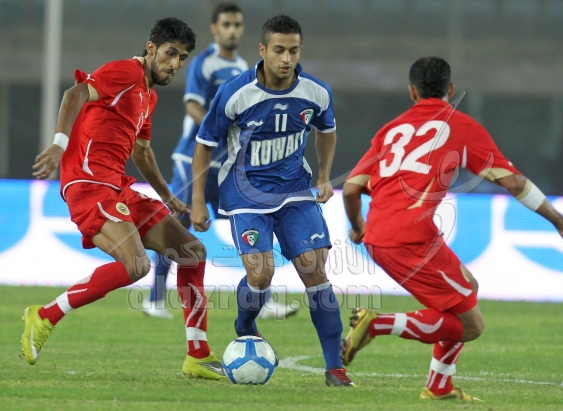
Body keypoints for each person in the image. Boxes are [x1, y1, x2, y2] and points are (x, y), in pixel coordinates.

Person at [341, 57, 563, 400]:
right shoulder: (460, 126)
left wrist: (358, 228)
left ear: (412, 92)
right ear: (451, 89)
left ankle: (439, 386)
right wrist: (560, 222)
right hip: (410, 238)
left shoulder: (390, 130)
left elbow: (351, 188)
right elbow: (515, 183)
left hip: (381, 236)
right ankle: (377, 323)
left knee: (467, 287)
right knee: (471, 325)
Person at [21, 18, 227, 380]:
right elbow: (74, 94)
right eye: (170, 54)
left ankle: (198, 355)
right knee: (136, 266)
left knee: (191, 252)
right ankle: (45, 315)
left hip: (117, 187)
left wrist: (168, 197)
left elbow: (142, 152)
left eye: (181, 58)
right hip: (88, 183)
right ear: (151, 48)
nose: (174, 64)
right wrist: (58, 144)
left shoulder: (149, 96)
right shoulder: (124, 73)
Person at [191, 15, 354, 387]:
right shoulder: (235, 92)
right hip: (245, 194)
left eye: (293, 51)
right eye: (279, 50)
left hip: (295, 191)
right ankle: (245, 323)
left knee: (314, 270)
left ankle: (335, 367)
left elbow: (326, 131)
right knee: (261, 274)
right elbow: (204, 144)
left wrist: (325, 175)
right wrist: (198, 200)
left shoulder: (316, 92)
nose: (286, 58)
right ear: (262, 50)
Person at [143, 2, 299, 321]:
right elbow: (192, 106)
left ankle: (264, 298)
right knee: (177, 226)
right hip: (193, 160)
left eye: (237, 25)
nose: (232, 30)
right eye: (226, 24)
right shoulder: (204, 63)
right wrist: (224, 132)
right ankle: (154, 298)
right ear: (215, 29)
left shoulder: (243, 66)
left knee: (251, 222)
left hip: (227, 166)